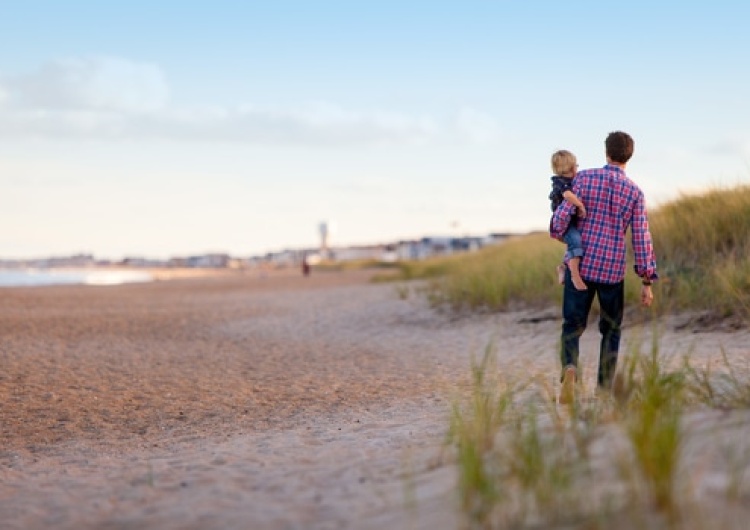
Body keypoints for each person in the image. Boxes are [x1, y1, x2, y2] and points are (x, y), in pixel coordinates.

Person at [550, 131, 657, 404]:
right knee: (611, 330)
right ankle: (605, 389)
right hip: (611, 270)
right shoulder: (635, 192)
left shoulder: (583, 178)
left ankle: (570, 369)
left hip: (582, 266)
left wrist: (562, 228)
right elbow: (641, 237)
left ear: (606, 152)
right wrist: (646, 281)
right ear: (629, 156)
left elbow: (560, 221)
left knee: (571, 326)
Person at [549, 150, 588, 291]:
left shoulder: (573, 181)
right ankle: (575, 276)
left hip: (570, 221)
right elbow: (567, 195)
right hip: (563, 223)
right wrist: (580, 205)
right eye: (576, 165)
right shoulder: (560, 182)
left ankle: (563, 268)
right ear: (572, 167)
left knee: (573, 245)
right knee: (576, 241)